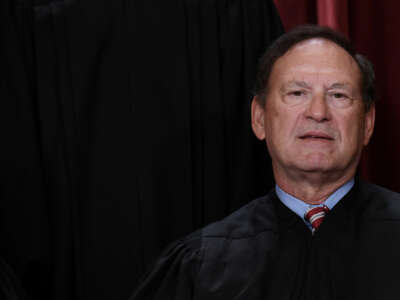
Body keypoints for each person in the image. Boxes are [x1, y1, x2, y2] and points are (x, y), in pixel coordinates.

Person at [130, 25, 400, 300]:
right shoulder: (201, 265)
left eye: (338, 95)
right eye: (297, 93)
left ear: (367, 124)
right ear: (259, 119)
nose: (318, 112)